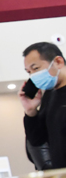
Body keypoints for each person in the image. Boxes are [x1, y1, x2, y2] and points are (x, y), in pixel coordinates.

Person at [20, 42, 66, 170]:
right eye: (29, 72)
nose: (33, 76)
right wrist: (31, 112)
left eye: (36, 68)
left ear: (58, 62)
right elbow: (37, 142)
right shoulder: (49, 96)